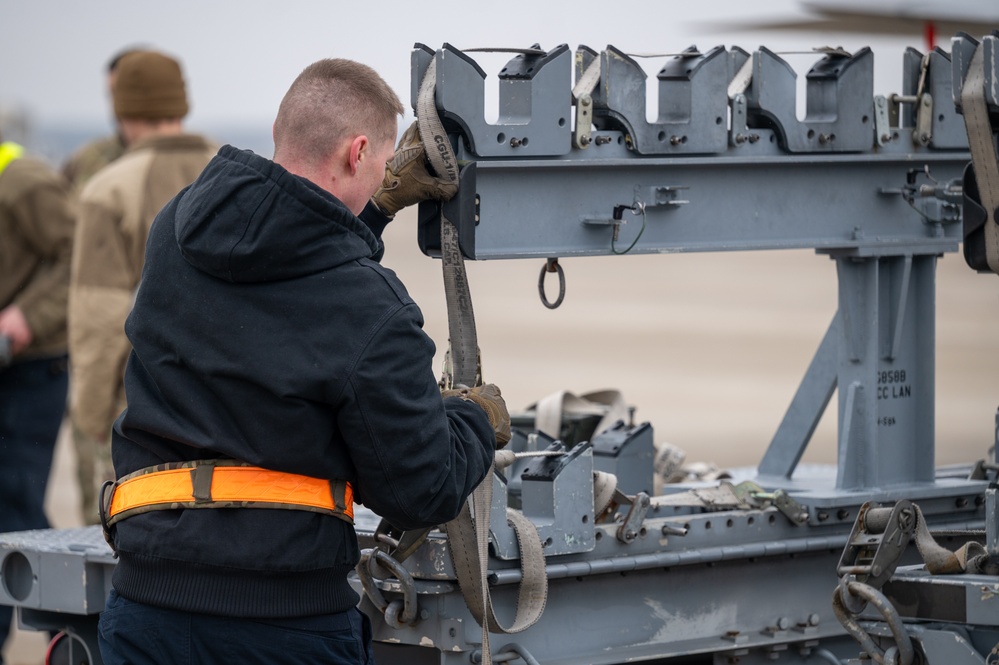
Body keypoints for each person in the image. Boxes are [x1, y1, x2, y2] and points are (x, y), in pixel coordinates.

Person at [95, 57, 509, 665]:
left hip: (145, 611)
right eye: (379, 165)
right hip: (281, 626)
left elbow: (287, 283)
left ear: (279, 130)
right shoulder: (372, 308)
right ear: (357, 152)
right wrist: (474, 421)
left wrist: (374, 209)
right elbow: (420, 489)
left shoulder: (176, 230)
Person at [68, 49, 217, 525]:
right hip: (236, 408)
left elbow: (99, 316)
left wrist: (91, 417)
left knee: (123, 539)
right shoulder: (236, 173)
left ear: (123, 108)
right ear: (181, 100)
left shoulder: (108, 189)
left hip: (141, 411)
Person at [0, 135, 76, 661]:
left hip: (30, 372)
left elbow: (79, 253)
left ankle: (75, 634)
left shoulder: (22, 181)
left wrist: (28, 315)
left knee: (15, 507)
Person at [61, 47, 145, 193]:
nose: (117, 104)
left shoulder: (182, 161)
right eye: (112, 94)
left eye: (126, 93)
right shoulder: (87, 160)